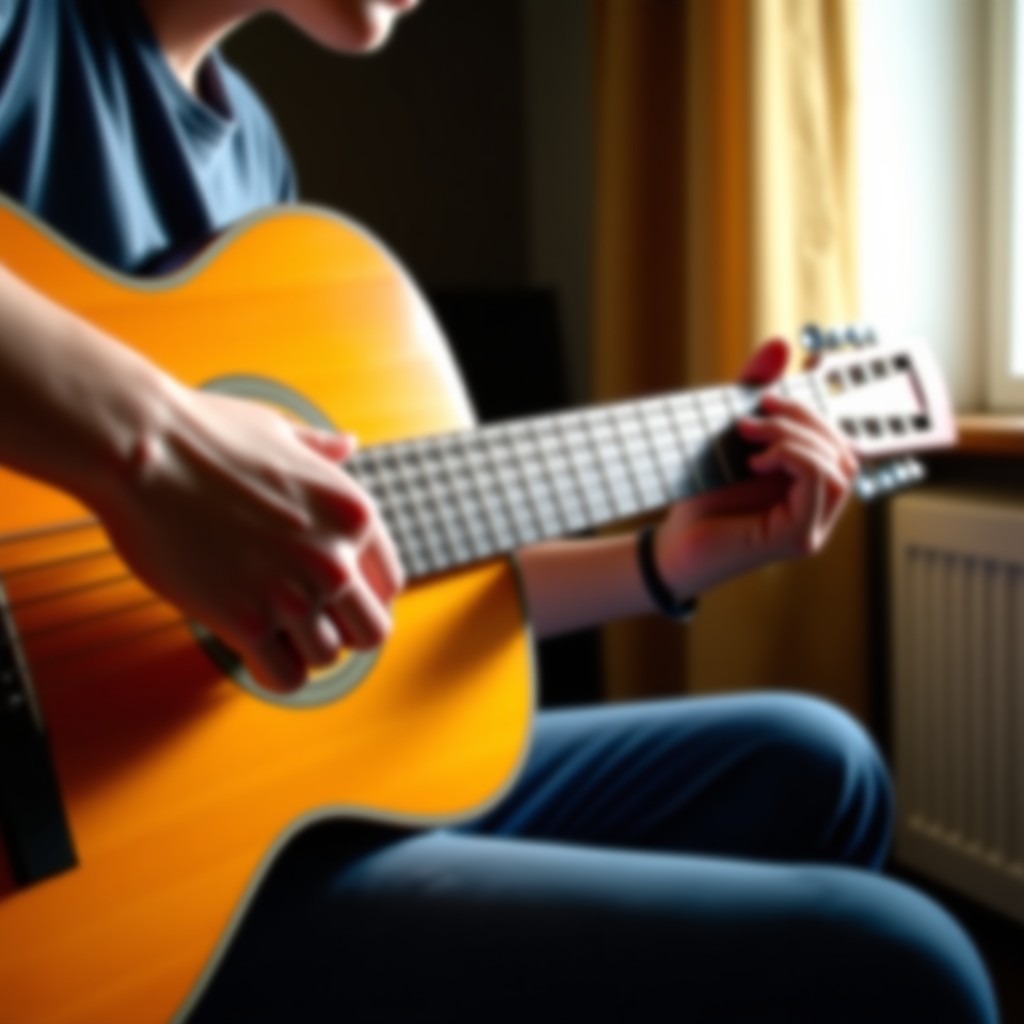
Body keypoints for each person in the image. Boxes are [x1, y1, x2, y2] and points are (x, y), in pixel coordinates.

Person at [0, 0, 999, 1020]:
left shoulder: (252, 161)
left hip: (222, 803)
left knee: (818, 762)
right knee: (907, 961)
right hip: (99, 896)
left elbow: (370, 560)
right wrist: (150, 445)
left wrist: (663, 559)